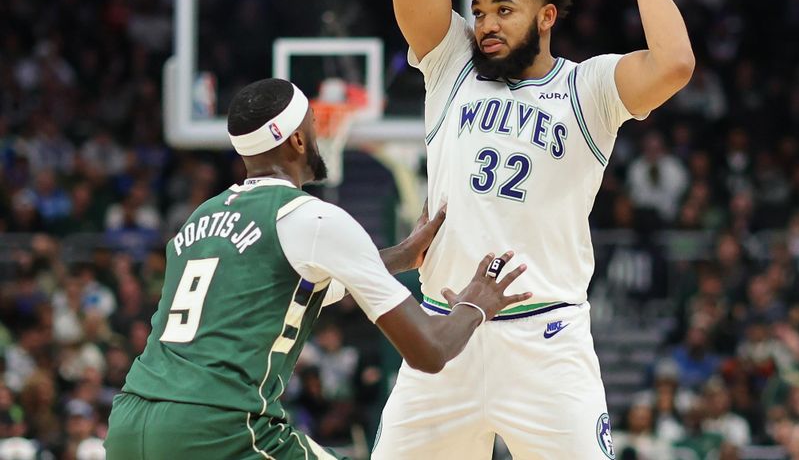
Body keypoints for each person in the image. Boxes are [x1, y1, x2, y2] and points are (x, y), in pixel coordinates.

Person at [374, 0, 693, 459]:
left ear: (546, 17)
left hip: (546, 342)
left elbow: (674, 63)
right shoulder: (452, 64)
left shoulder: (589, 89)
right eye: (479, 9)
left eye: (504, 9)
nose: (487, 24)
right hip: (445, 334)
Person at [103, 78, 530, 459]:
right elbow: (430, 351)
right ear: (298, 141)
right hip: (216, 428)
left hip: (130, 422)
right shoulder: (313, 217)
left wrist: (400, 255)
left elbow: (292, 289)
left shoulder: (201, 218)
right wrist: (476, 305)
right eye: (311, 121)